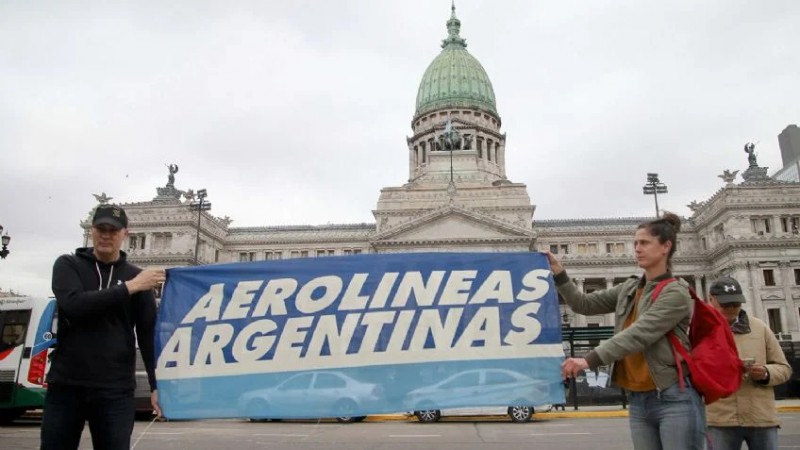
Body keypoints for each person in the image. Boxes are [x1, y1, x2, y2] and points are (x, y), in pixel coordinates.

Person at [547, 212, 705, 449]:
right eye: (635, 243)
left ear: (666, 247)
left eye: (644, 243)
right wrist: (560, 274)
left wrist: (587, 360)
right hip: (638, 398)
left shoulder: (676, 292)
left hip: (673, 397)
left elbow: (639, 334)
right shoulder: (630, 288)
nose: (637, 249)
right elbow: (584, 304)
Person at [42, 204, 166, 450]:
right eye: (101, 228)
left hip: (115, 389)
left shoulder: (136, 276)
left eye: (113, 230)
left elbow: (148, 335)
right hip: (67, 384)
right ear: (92, 231)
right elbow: (74, 305)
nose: (106, 235)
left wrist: (157, 385)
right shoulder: (68, 265)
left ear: (125, 234)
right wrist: (130, 287)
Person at [706, 276, 792, 450]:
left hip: (760, 416)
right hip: (721, 418)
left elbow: (784, 368)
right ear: (711, 300)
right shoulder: (700, 331)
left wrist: (766, 373)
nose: (731, 309)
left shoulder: (760, 328)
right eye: (725, 304)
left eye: (735, 304)